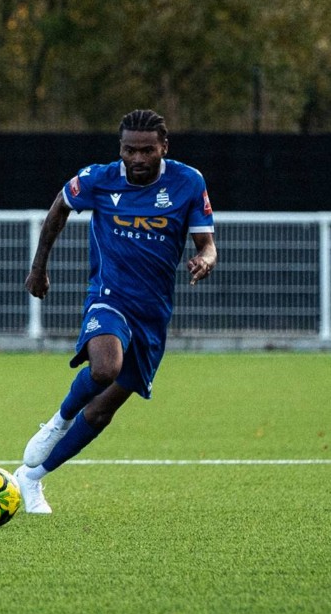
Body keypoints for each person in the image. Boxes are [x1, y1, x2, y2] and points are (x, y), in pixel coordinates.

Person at [13, 109, 217, 513]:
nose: (137, 159)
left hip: (153, 312)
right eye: (129, 150)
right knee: (104, 368)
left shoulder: (188, 182)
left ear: (164, 147)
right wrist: (39, 267)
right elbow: (59, 207)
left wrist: (206, 259)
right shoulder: (99, 178)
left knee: (104, 410)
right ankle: (59, 420)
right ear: (119, 148)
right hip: (109, 295)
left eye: (146, 150)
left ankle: (30, 479)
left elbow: (205, 243)